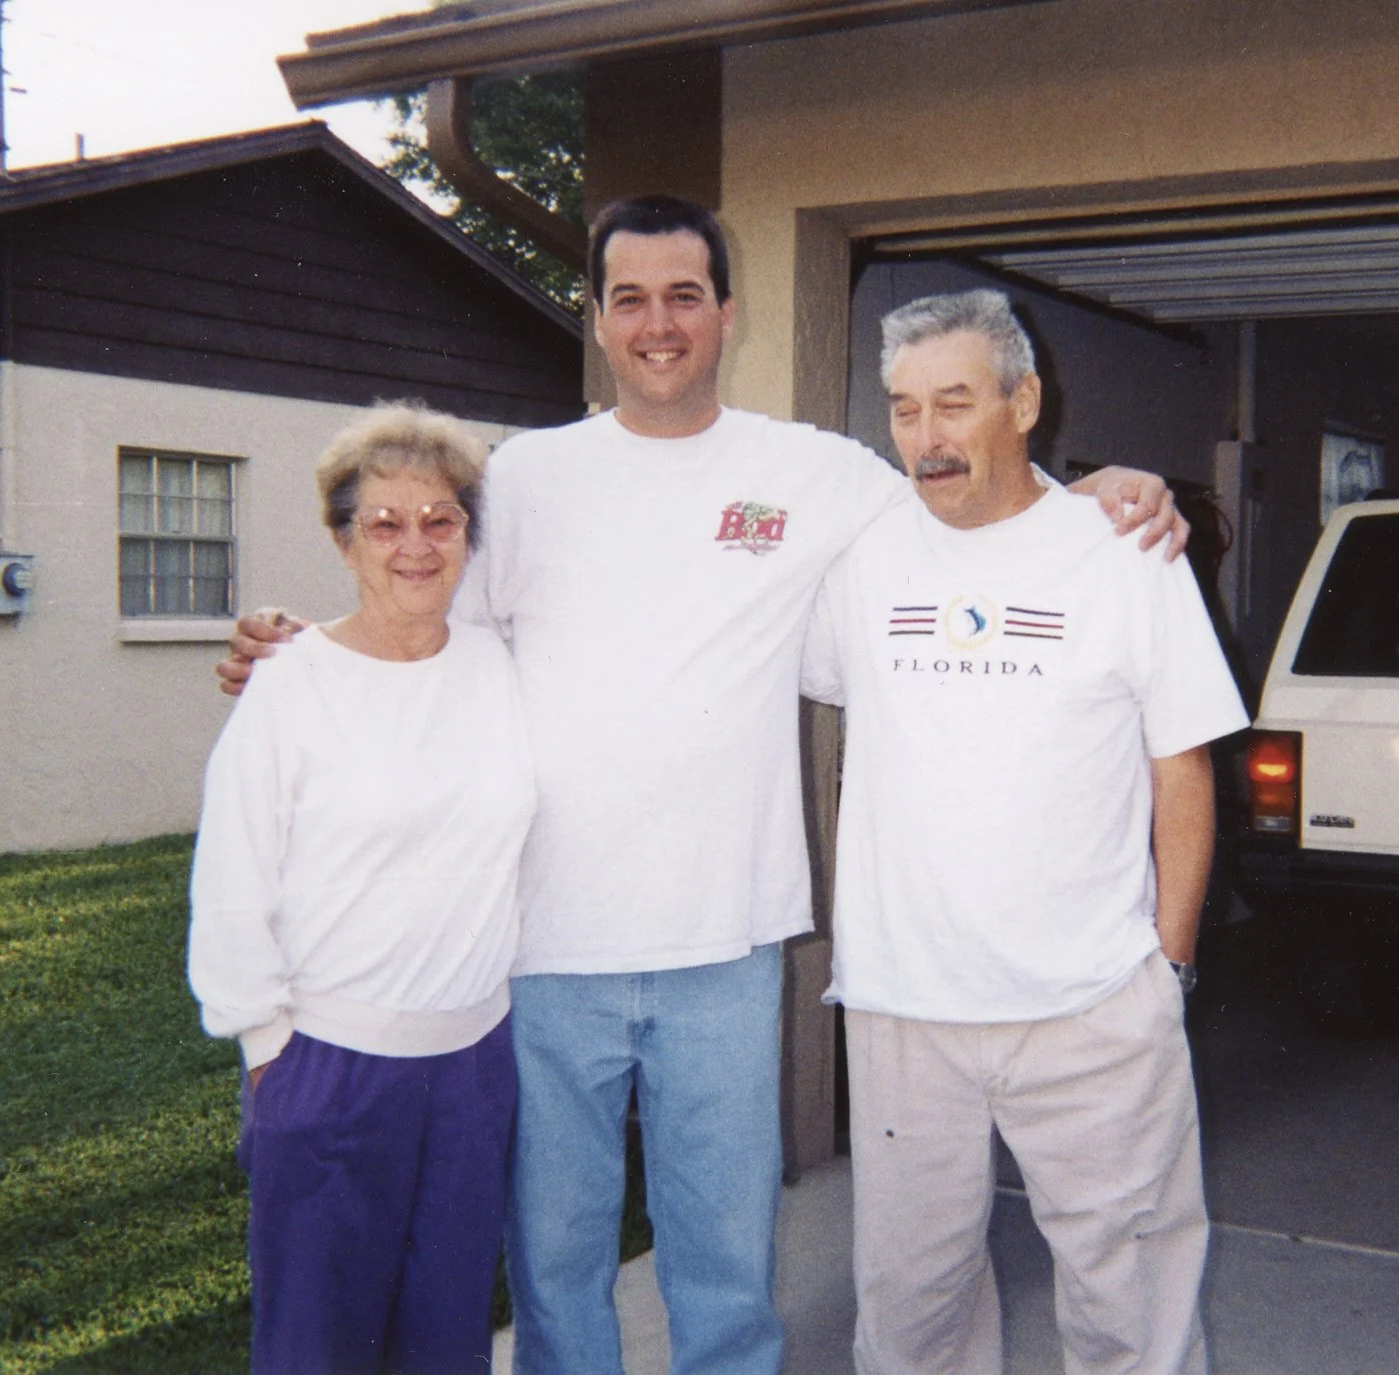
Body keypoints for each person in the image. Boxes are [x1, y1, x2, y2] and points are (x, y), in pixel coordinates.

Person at [219, 195, 1187, 1375]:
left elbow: (978, 495)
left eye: (684, 295)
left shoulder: (817, 473)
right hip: (538, 948)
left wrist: (1104, 492)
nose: (658, 322)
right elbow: (416, 623)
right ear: (597, 318)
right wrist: (296, 643)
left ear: (726, 313)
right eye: (629, 298)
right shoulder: (524, 478)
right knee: (558, 1263)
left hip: (726, 947)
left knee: (725, 1270)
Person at [801, 289, 1249, 1375]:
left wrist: (1167, 965)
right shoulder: (861, 558)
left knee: (1126, 1305)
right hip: (905, 1011)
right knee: (911, 1316)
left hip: (1091, 1004)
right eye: (904, 409)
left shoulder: (1123, 549)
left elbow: (1181, 767)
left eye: (953, 403)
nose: (926, 437)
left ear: (1023, 402)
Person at [189, 403, 536, 1374]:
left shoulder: (497, 667)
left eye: (441, 519)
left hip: (473, 1066)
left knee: (446, 1343)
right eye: (384, 522)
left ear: (469, 534)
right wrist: (268, 1053)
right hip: (329, 1070)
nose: (415, 544)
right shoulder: (291, 683)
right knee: (316, 1350)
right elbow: (231, 877)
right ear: (343, 541)